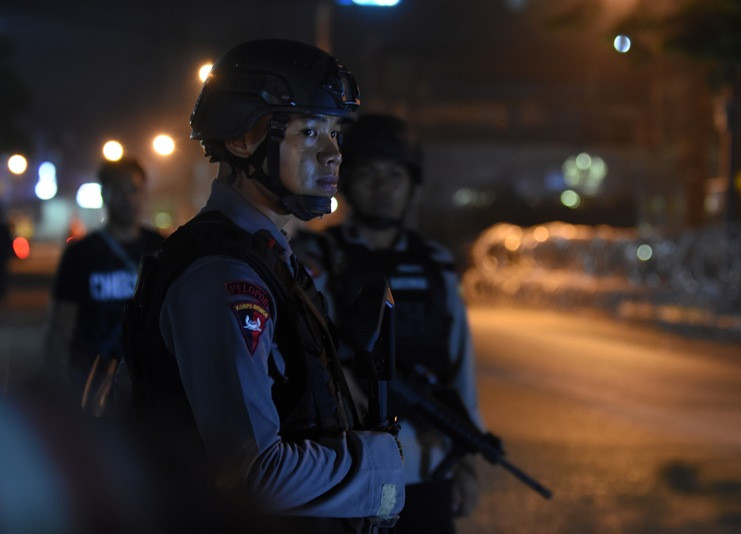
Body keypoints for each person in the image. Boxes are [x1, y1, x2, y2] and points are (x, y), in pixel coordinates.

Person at [123, 40, 404, 532]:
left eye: (335, 131)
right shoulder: (224, 277)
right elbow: (252, 472)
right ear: (242, 140)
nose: (334, 152)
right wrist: (382, 465)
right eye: (309, 130)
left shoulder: (266, 256)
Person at [292, 114, 483, 533]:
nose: (382, 187)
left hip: (429, 468)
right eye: (368, 173)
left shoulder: (435, 263)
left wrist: (467, 457)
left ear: (412, 184)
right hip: (350, 470)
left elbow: (460, 368)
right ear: (345, 179)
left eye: (395, 174)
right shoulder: (317, 257)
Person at [45, 157, 163, 411]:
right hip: (89, 377)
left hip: (146, 382)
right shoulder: (81, 254)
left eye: (134, 189)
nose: (127, 198)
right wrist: (58, 385)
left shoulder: (160, 249)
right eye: (118, 189)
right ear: (104, 193)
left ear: (144, 193)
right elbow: (61, 323)